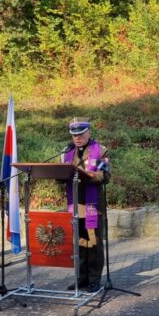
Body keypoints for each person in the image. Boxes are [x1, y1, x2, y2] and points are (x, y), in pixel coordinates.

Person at [63, 118, 109, 293]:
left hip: (92, 205)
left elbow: (105, 176)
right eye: (74, 135)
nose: (77, 138)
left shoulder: (101, 151)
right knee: (79, 242)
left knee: (93, 243)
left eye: (81, 134)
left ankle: (94, 279)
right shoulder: (67, 153)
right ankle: (81, 278)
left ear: (89, 133)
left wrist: (88, 174)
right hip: (74, 204)